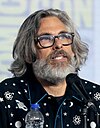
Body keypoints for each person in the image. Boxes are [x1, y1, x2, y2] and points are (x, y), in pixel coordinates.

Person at [0, 8, 100, 128]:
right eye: (45, 38)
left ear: (73, 49)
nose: (58, 45)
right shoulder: (7, 96)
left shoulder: (94, 97)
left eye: (64, 36)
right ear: (28, 52)